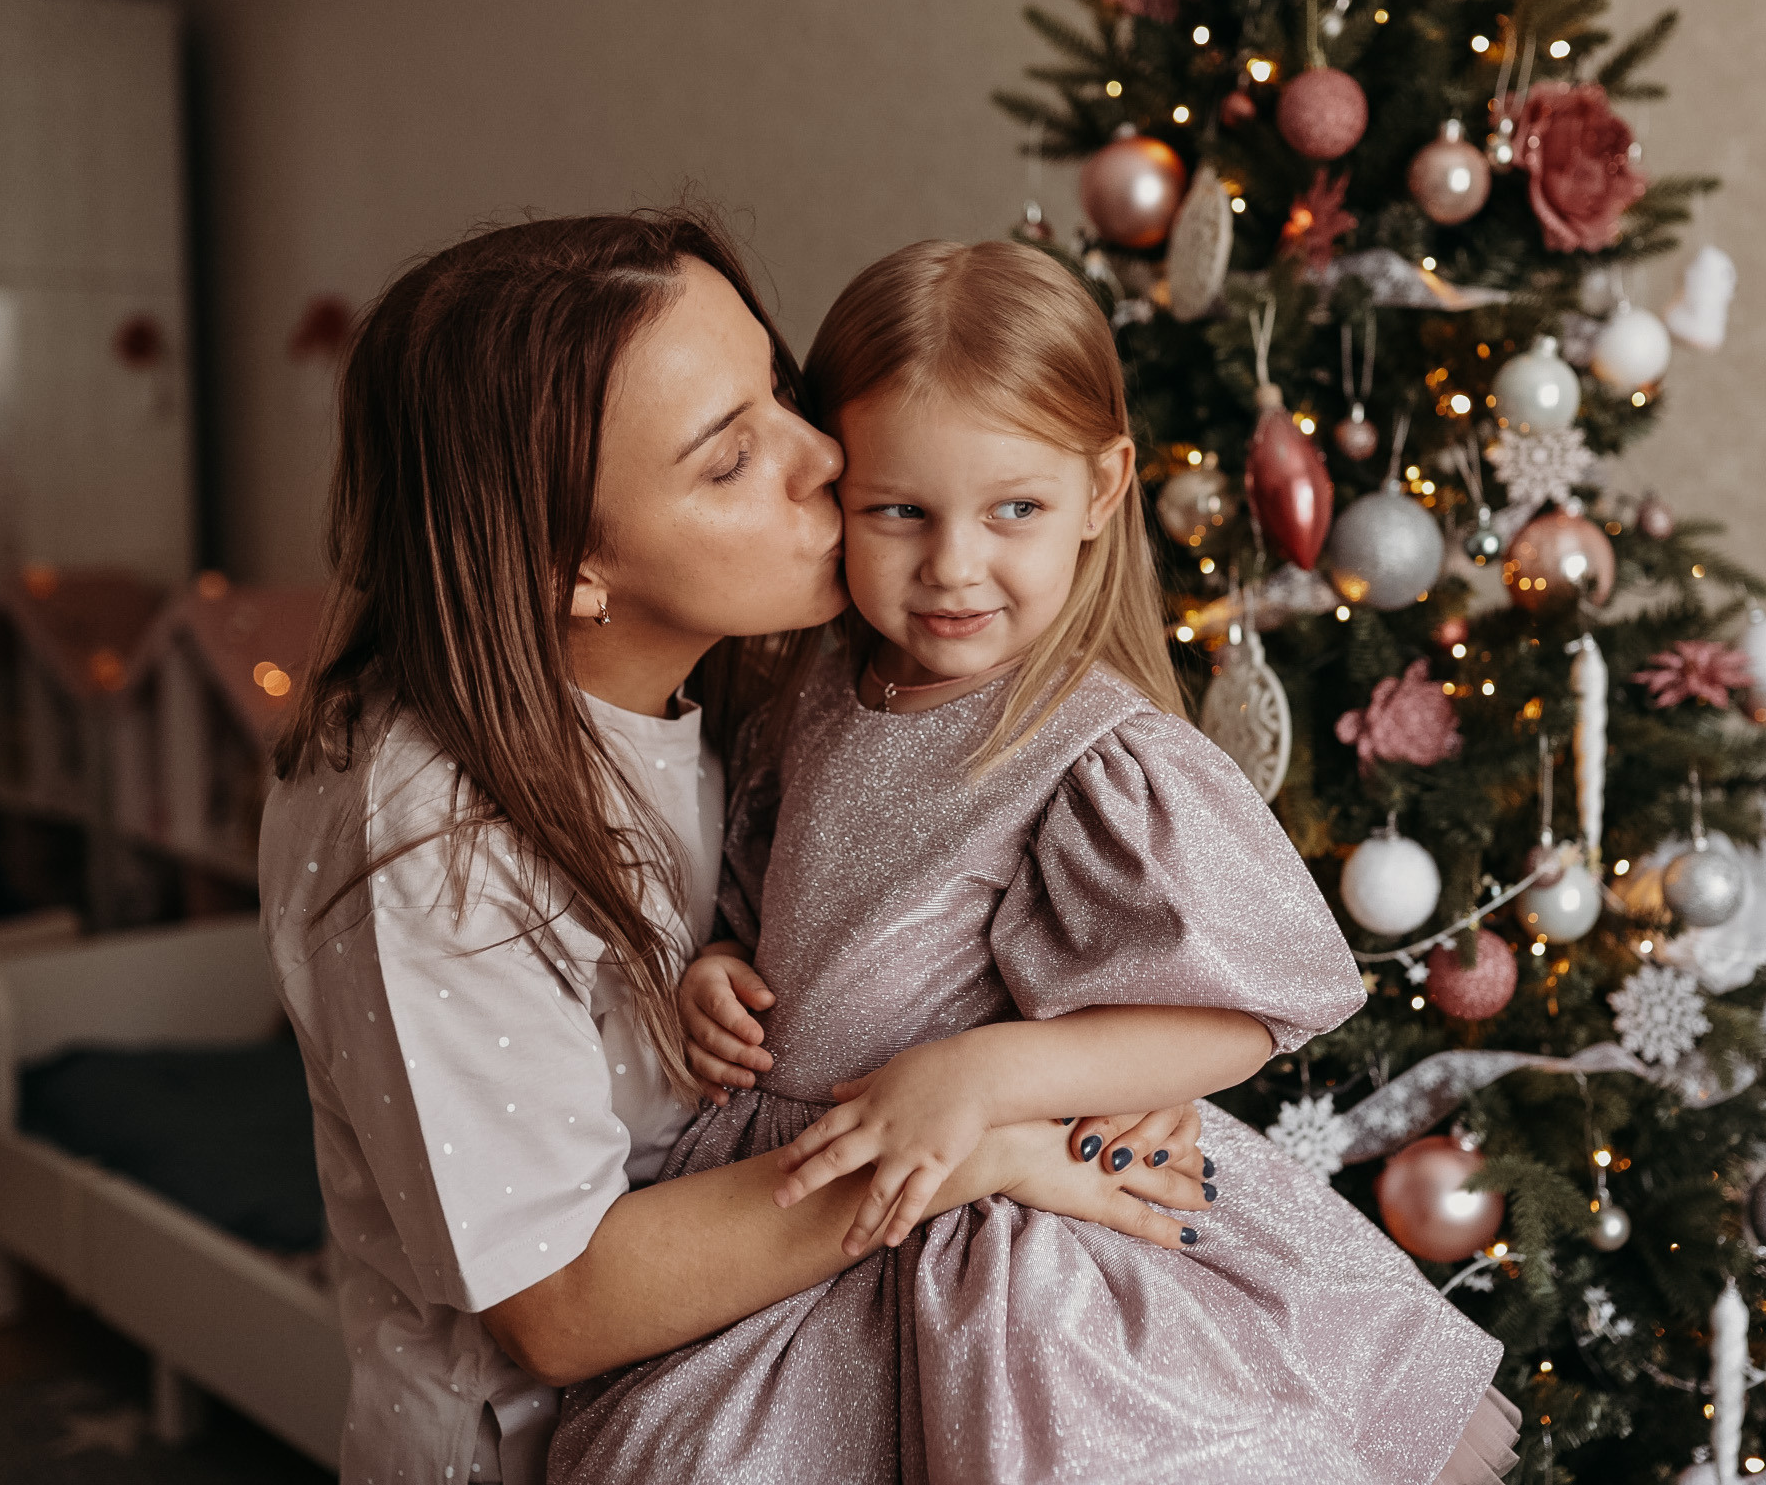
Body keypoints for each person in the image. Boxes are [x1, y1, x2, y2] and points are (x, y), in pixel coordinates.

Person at [259, 213, 1212, 1485]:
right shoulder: (428, 839)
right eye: (731, 461)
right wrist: (967, 1148)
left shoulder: (774, 684)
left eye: (777, 388)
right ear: (565, 568)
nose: (826, 455)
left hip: (794, 1383)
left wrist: (1092, 1060)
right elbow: (558, 1306)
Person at [548, 240, 1521, 1485]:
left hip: (1020, 1242)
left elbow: (1231, 1015)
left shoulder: (1095, 749)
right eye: (898, 510)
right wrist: (722, 965)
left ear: (1105, 487)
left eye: (1015, 509)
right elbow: (769, 885)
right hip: (804, 1195)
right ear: (836, 489)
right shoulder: (816, 692)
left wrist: (982, 1074)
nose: (953, 565)